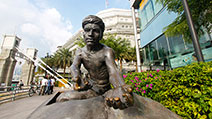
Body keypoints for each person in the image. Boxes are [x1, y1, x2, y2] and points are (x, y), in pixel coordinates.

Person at [57, 15, 133, 109]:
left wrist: (120, 87)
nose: (90, 34)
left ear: (101, 35)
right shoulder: (80, 52)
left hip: (102, 90)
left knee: (63, 98)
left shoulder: (106, 51)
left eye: (95, 31)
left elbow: (113, 71)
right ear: (83, 33)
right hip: (89, 87)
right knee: (62, 98)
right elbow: (74, 66)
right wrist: (76, 77)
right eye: (87, 30)